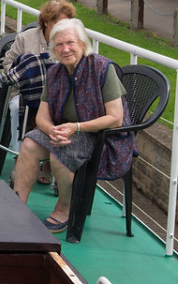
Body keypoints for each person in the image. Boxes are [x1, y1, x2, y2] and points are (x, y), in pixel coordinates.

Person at [12, 19, 134, 233]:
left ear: (83, 44)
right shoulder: (55, 73)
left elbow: (115, 118)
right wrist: (52, 130)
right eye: (59, 45)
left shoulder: (102, 68)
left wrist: (76, 127)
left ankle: (65, 209)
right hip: (65, 130)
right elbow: (42, 116)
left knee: (60, 154)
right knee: (30, 143)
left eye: (70, 43)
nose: (65, 49)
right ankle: (15, 205)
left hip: (102, 136)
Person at [2, 0, 76, 183]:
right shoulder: (25, 38)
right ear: (45, 22)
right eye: (57, 24)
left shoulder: (69, 43)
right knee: (15, 106)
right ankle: (21, 158)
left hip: (57, 97)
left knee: (66, 111)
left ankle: (50, 163)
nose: (62, 28)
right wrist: (29, 72)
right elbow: (7, 65)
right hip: (24, 92)